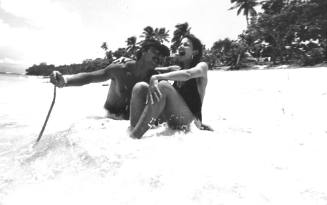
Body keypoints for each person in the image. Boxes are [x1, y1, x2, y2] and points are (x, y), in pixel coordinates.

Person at [50, 40, 170, 120]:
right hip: (108, 121)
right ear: (143, 51)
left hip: (129, 125)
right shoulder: (119, 69)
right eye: (156, 52)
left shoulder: (155, 79)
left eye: (162, 56)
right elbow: (90, 77)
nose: (159, 57)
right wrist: (65, 80)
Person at [129, 34, 212, 139]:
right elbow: (150, 66)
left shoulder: (202, 66)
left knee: (163, 86)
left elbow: (188, 74)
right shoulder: (176, 69)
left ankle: (134, 136)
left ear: (194, 52)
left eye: (186, 45)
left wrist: (156, 77)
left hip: (186, 118)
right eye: (180, 44)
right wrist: (128, 61)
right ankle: (134, 130)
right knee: (140, 87)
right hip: (170, 116)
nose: (181, 46)